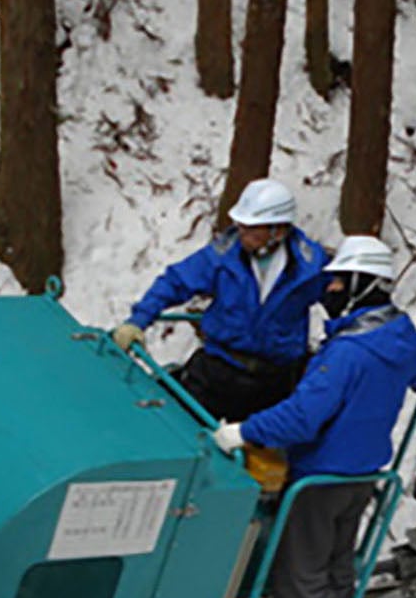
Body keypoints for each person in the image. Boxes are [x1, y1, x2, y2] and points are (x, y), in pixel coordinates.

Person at [211, 235, 416, 598]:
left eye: (336, 283)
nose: (328, 292)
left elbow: (302, 417)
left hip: (324, 470)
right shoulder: (401, 335)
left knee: (303, 551)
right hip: (366, 469)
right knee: (337, 547)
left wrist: (244, 432)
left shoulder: (349, 354)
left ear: (363, 284)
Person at [111, 179, 328, 422]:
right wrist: (138, 321)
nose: (242, 232)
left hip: (273, 382)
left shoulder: (310, 266)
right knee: (174, 425)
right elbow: (176, 282)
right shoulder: (223, 256)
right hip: (219, 369)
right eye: (241, 224)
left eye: (252, 227)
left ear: (278, 230)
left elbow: (341, 302)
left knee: (257, 454)